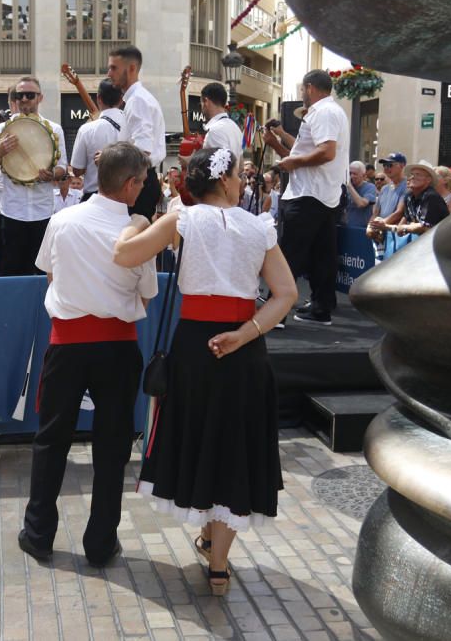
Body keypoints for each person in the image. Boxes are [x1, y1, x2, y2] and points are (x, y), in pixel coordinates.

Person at [112, 147, 297, 596]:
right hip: (244, 347)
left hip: (195, 344)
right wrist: (246, 333)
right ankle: (218, 564)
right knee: (234, 443)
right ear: (228, 179)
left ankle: (210, 547)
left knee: (202, 436)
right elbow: (285, 293)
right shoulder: (259, 227)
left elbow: (124, 254)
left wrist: (137, 221)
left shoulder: (183, 219)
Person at [19, 142, 158, 567]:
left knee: (51, 440)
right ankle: (100, 543)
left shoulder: (62, 220)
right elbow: (148, 295)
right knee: (112, 447)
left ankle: (39, 534)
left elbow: (49, 274)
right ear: (132, 183)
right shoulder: (138, 230)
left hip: (67, 343)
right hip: (118, 346)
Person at [263, 70, 349, 326]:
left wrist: (292, 160)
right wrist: (277, 142)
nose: (301, 94)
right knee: (323, 255)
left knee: (288, 254)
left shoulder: (323, 112)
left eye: (302, 89)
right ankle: (321, 308)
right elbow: (302, 153)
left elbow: (326, 152)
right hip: (323, 194)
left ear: (310, 87)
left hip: (308, 195)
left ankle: (276, 312)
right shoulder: (332, 112)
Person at [0, 76, 68, 276]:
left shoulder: (54, 129)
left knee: (42, 273)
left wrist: (51, 174)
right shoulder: (1, 130)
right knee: (10, 273)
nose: (23, 99)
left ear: (40, 98)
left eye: (29, 95)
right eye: (18, 95)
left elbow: (63, 167)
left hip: (43, 211)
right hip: (12, 211)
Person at [106, 46, 166, 220]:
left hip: (139, 182)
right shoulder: (138, 98)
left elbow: (142, 151)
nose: (109, 73)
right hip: (138, 181)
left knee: (133, 241)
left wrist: (109, 157)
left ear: (131, 68)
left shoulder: (138, 100)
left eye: (113, 68)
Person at [70, 79, 125, 202]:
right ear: (121, 100)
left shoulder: (87, 129)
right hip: (125, 196)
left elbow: (77, 170)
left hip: (94, 196)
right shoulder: (132, 124)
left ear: (99, 98)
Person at [369, 160, 449, 239]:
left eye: (418, 174)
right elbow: (403, 225)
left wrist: (393, 226)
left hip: (439, 243)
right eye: (412, 174)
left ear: (428, 180)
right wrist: (385, 226)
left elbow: (424, 227)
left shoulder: (431, 196)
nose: (413, 177)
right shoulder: (409, 196)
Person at [201, 82, 243, 155]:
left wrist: (190, 163)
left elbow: (217, 165)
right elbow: (241, 164)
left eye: (201, 103)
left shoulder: (215, 131)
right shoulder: (236, 128)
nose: (201, 107)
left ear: (206, 101)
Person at [345, 161, 378, 228]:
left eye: (355, 174)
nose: (351, 176)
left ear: (363, 175)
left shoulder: (370, 187)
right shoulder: (345, 187)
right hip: (347, 227)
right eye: (350, 173)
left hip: (362, 229)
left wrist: (349, 186)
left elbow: (361, 204)